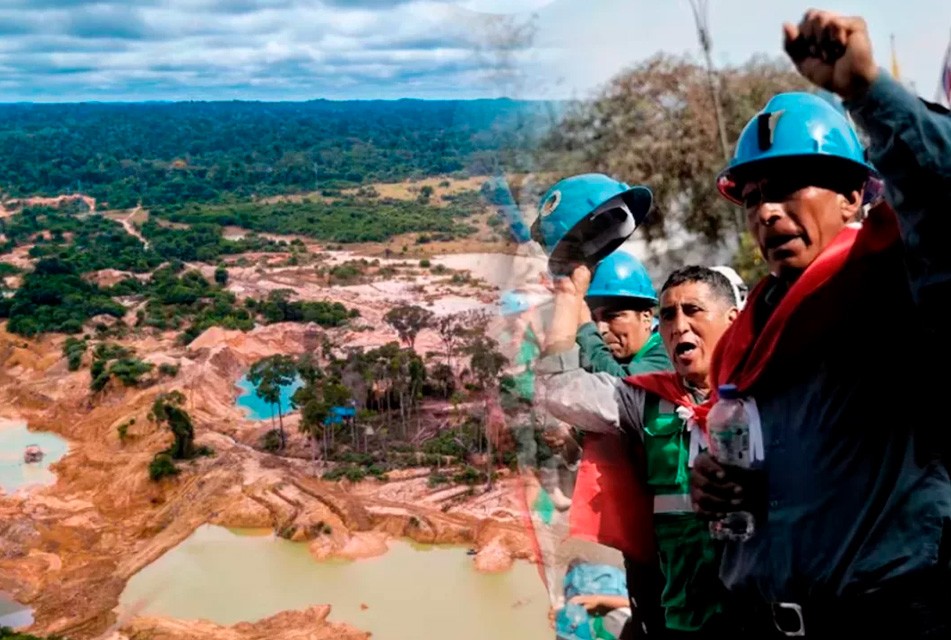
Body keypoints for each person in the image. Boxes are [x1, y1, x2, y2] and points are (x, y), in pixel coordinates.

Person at [689, 9, 951, 638]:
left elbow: (940, 197)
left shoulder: (897, 285)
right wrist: (714, 488)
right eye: (753, 197)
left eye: (789, 186)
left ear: (853, 195)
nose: (766, 212)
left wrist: (868, 93)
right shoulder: (747, 338)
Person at [536, 266, 740, 638]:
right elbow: (558, 391)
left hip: (758, 614)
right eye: (669, 315)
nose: (678, 326)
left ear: (733, 319)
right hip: (680, 616)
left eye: (693, 310)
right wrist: (568, 296)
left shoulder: (768, 394)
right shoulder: (644, 399)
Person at [543, 248, 673, 637]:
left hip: (673, 544)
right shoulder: (634, 361)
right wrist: (570, 441)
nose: (603, 328)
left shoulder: (661, 360)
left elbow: (618, 387)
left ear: (648, 316)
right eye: (598, 317)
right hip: (644, 543)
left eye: (614, 316)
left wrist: (581, 320)